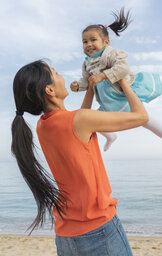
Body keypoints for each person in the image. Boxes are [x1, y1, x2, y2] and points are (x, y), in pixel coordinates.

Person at [11, 60, 148, 256]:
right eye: (56, 73)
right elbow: (141, 116)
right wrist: (122, 80)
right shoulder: (78, 120)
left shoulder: (44, 126)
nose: (62, 76)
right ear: (49, 90)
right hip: (99, 230)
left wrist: (90, 89)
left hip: (66, 234)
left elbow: (78, 121)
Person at [70, 8, 162, 165]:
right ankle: (111, 136)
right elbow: (87, 81)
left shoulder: (112, 54)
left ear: (106, 42)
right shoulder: (86, 64)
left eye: (93, 40)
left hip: (121, 95)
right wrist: (78, 86)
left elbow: (123, 69)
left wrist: (103, 75)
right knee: (92, 120)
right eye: (85, 42)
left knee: (146, 120)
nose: (89, 44)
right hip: (106, 101)